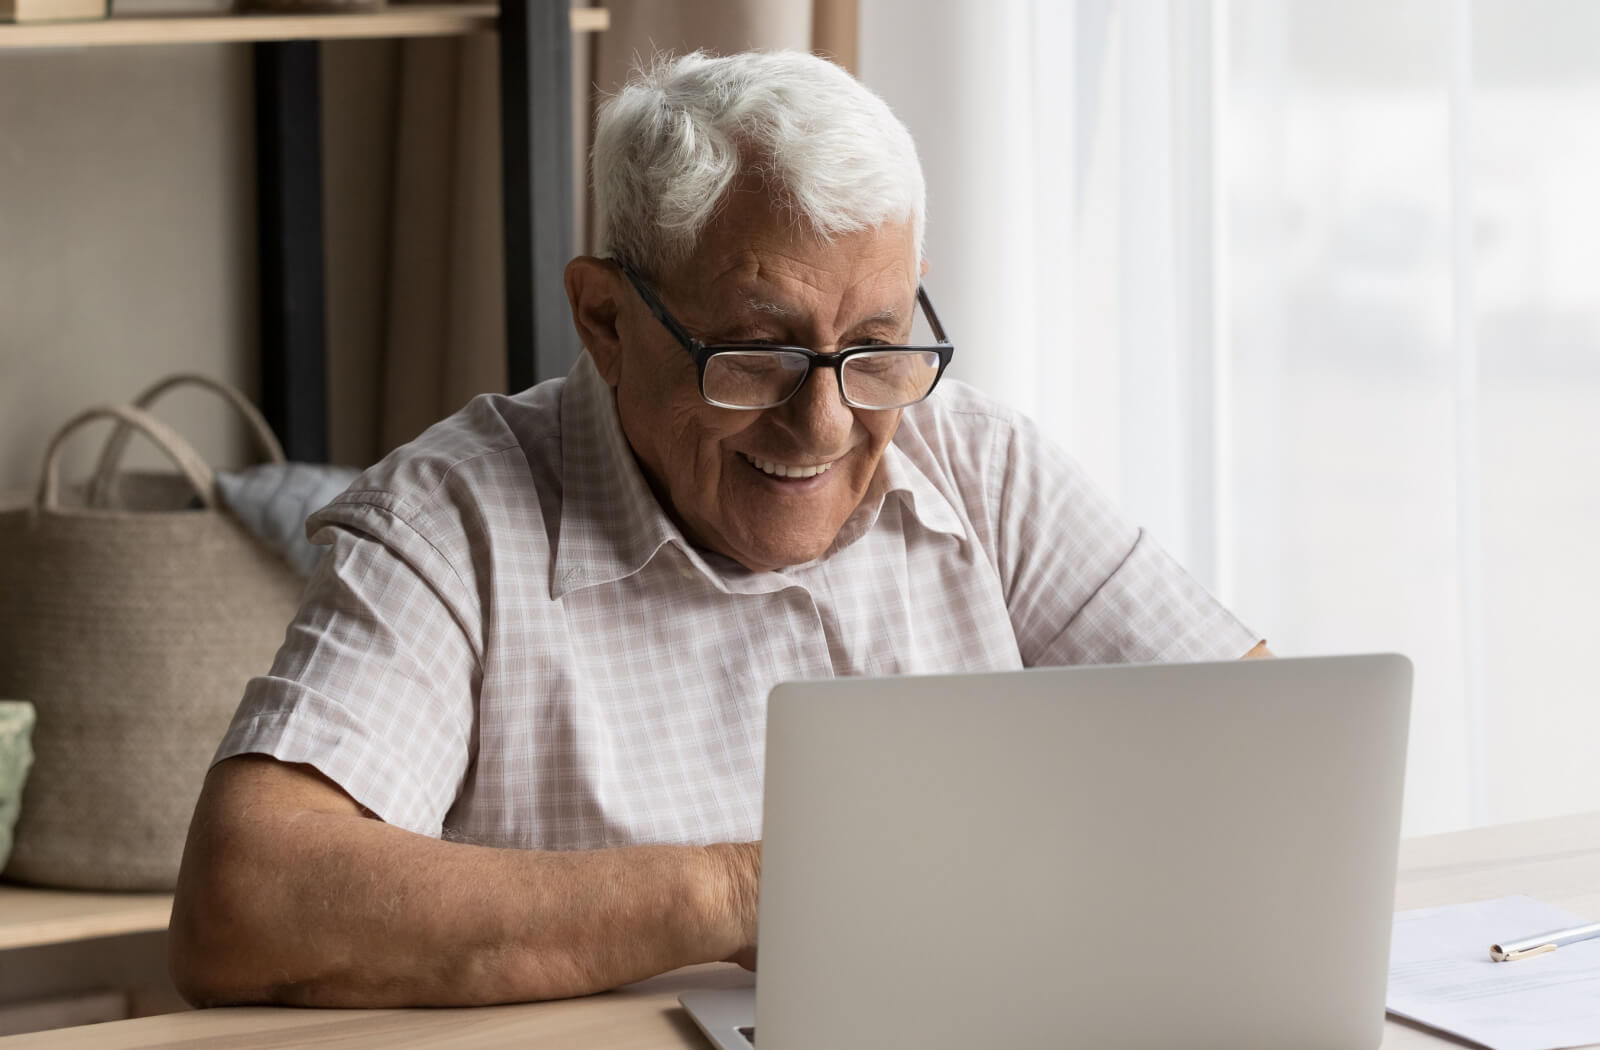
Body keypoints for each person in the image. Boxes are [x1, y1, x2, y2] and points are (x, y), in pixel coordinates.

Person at [169, 49, 1266, 1008]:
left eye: (874, 344)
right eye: (758, 352)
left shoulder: (976, 458)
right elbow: (249, 898)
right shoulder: (452, 521)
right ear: (605, 318)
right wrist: (747, 892)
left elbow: (1267, 751)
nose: (823, 421)